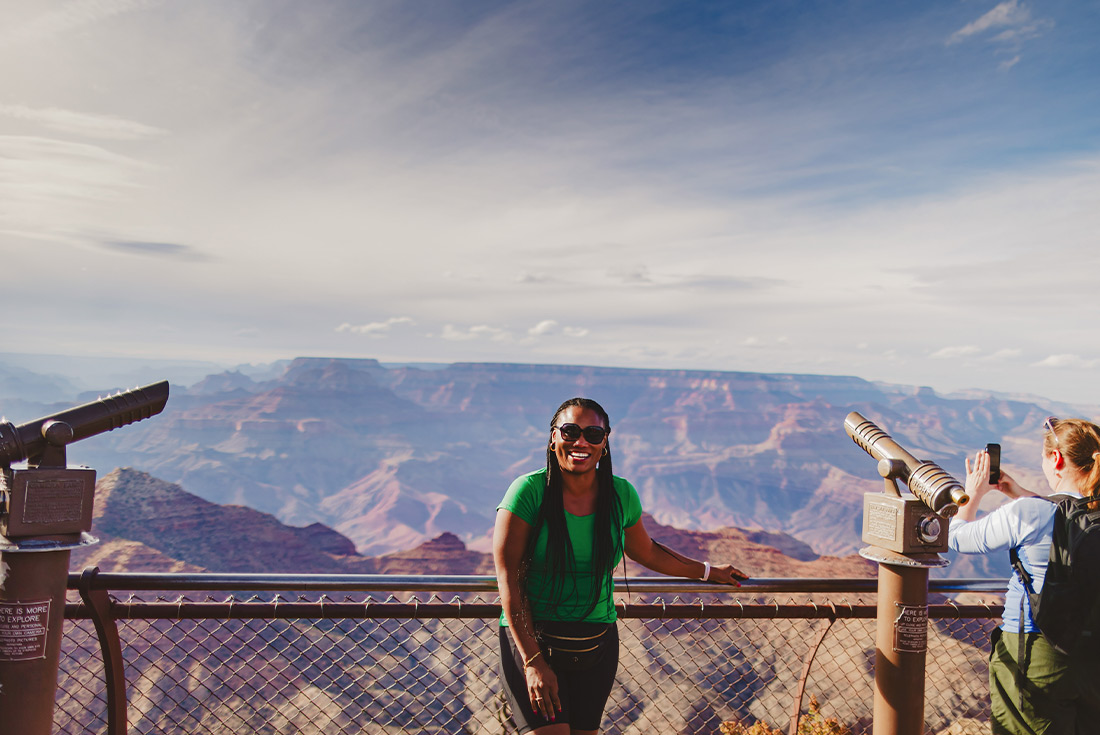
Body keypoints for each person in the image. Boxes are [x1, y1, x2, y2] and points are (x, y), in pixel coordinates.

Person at [493, 397, 749, 735]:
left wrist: (707, 571)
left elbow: (647, 552)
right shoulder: (528, 491)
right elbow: (508, 576)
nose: (581, 442)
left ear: (605, 442)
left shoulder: (620, 494)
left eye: (593, 434)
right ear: (553, 437)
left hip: (596, 641)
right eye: (570, 431)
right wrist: (532, 661)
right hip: (534, 638)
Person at [949, 417, 1100, 735]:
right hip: (1092, 661)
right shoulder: (1054, 510)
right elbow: (1070, 514)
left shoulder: (1028, 513)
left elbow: (958, 537)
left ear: (1056, 459)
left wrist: (971, 495)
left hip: (1034, 655)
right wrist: (1018, 492)